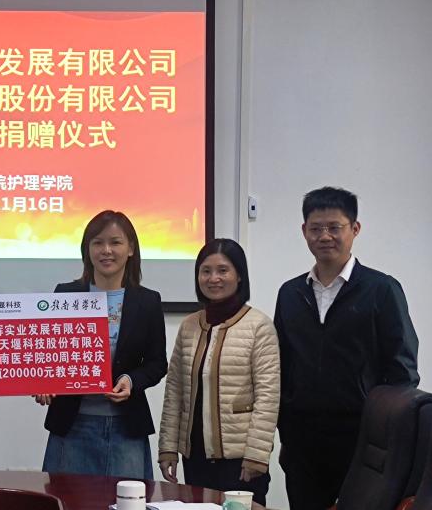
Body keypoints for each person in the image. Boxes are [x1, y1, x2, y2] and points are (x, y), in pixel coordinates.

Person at [275, 187, 419, 510]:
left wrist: (386, 436)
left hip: (363, 441)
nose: (325, 236)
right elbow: (281, 365)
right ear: (304, 231)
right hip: (302, 443)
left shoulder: (381, 289)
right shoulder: (290, 293)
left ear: (355, 229)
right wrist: (286, 431)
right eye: (316, 228)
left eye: (334, 227)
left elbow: (403, 371)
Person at [35, 210, 167, 480]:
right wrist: (44, 380)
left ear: (131, 249)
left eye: (115, 242)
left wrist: (130, 380)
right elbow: (46, 353)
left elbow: (157, 363)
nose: (106, 250)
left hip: (126, 427)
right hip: (72, 424)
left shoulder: (148, 301)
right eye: (97, 243)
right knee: (66, 498)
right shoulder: (65, 294)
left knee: (128, 499)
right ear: (87, 249)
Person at [157, 239, 279, 506]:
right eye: (206, 271)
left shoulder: (259, 326)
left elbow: (268, 397)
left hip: (240, 459)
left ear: (239, 276)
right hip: (195, 456)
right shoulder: (189, 326)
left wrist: (256, 455)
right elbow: (175, 391)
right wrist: (168, 448)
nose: (213, 278)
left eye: (223, 270)